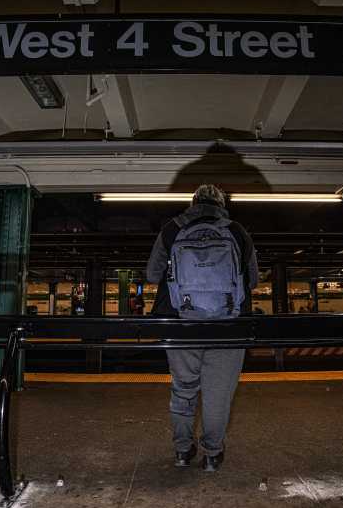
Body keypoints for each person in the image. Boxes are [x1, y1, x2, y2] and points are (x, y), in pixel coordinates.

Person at [146, 184, 259, 472]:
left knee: (183, 390)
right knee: (217, 395)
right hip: (229, 326)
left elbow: (152, 274)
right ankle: (212, 454)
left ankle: (183, 451)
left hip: (181, 324)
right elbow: (253, 280)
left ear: (192, 202)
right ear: (221, 204)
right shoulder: (237, 230)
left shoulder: (172, 229)